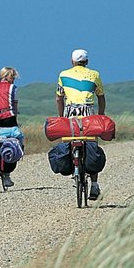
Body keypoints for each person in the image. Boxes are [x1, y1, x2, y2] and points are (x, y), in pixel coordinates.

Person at [55, 49, 106, 200]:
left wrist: (61, 116)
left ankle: (74, 165)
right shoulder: (94, 74)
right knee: (92, 145)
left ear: (72, 62)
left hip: (70, 113)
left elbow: (59, 98)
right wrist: (101, 115)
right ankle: (95, 185)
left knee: (70, 140)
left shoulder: (63, 75)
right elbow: (101, 97)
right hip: (89, 113)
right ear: (87, 62)